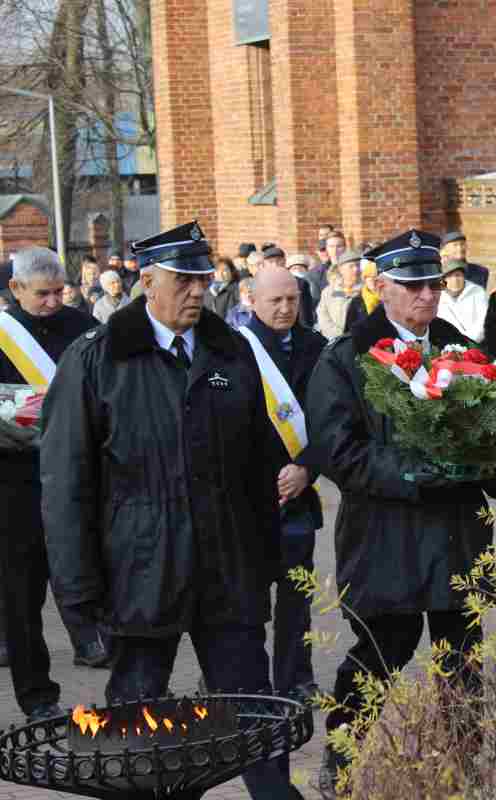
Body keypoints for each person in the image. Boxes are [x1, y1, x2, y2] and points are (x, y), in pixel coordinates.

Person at [41, 222, 300, 799]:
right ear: (147, 280)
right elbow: (65, 484)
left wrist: (264, 561)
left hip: (228, 571)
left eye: (202, 278)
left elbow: (257, 465)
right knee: (137, 728)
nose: (197, 290)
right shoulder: (98, 358)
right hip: (140, 572)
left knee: (254, 716)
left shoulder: (229, 350)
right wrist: (78, 594)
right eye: (183, 279)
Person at [307, 230, 496, 797]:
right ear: (381, 288)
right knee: (378, 655)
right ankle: (342, 760)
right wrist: (420, 472)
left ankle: (465, 770)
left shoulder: (462, 351)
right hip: (385, 535)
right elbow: (338, 452)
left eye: (434, 284)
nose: (428, 295)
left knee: (464, 662)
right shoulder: (346, 357)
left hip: (456, 533)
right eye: (413, 285)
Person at [1, 247, 109, 726]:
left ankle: (109, 658)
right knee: (22, 598)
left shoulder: (83, 328)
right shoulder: (4, 334)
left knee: (94, 573)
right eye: (41, 294)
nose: (51, 302)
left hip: (79, 480)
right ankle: (37, 696)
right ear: (16, 289)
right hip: (16, 485)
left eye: (58, 292)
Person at [240, 267, 327, 700]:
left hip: (298, 497)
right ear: (252, 300)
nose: (285, 308)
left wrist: (307, 468)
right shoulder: (234, 349)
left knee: (297, 599)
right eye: (275, 300)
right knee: (248, 603)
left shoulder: (317, 347)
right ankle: (247, 683)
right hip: (249, 500)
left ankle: (295, 680)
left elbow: (333, 420)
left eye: (292, 299)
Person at [437, 258, 488, 343]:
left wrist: (466, 342)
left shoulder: (478, 293)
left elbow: (483, 323)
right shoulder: (438, 295)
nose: (455, 280)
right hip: (446, 344)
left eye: (458, 275)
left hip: (474, 343)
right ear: (444, 279)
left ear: (464, 276)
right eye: (450, 276)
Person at [317, 249, 362, 340]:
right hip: (335, 339)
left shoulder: (367, 289)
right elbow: (323, 315)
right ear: (341, 269)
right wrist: (339, 336)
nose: (356, 269)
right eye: (351, 266)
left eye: (358, 265)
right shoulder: (329, 291)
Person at [343, 257, 380, 332]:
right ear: (364, 279)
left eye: (374, 276)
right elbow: (349, 328)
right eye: (368, 277)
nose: (371, 280)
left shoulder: (388, 297)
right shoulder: (357, 301)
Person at [204, 256, 241, 321]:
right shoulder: (207, 291)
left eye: (225, 270)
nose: (221, 273)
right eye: (217, 270)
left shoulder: (237, 289)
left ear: (231, 271)